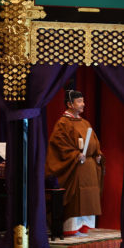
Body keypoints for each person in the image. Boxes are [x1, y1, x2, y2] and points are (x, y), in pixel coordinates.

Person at [46, 90, 103, 236]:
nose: (83, 104)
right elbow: (59, 144)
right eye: (79, 101)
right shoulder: (63, 123)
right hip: (76, 166)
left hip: (89, 166)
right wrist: (75, 155)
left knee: (88, 197)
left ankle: (85, 225)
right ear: (69, 104)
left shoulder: (85, 122)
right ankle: (72, 227)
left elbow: (94, 141)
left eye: (83, 101)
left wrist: (98, 154)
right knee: (77, 197)